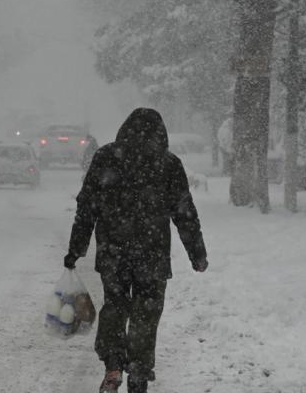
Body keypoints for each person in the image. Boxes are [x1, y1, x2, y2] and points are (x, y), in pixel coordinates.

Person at [63, 108, 208, 393]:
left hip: (113, 251)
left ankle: (114, 364)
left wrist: (76, 248)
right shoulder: (168, 163)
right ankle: (139, 372)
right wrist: (197, 254)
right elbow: (185, 213)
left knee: (115, 304)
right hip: (152, 254)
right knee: (147, 311)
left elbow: (86, 208)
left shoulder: (106, 157)